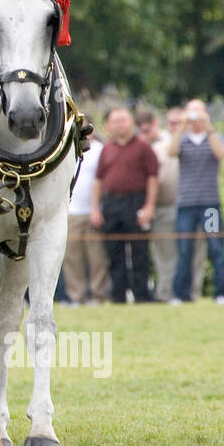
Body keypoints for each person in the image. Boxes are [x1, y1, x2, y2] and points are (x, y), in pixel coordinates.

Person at [91, 107, 158, 303]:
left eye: (124, 120)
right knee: (113, 252)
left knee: (140, 251)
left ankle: (142, 296)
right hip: (112, 204)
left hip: (136, 201)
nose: (120, 124)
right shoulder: (106, 149)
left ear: (131, 123)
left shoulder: (143, 146)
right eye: (116, 121)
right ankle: (118, 296)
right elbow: (98, 180)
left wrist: (149, 206)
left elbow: (153, 177)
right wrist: (95, 208)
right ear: (109, 125)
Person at [169, 99, 224, 304]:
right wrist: (182, 126)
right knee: (185, 248)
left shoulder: (215, 137)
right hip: (186, 204)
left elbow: (221, 154)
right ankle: (180, 294)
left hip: (209, 204)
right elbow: (171, 151)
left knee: (215, 247)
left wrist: (209, 127)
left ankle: (221, 293)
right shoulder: (183, 140)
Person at [140, 107, 182, 303]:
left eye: (180, 122)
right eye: (172, 122)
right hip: (165, 207)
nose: (176, 127)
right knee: (165, 254)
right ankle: (165, 293)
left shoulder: (208, 140)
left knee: (201, 249)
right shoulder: (158, 146)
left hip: (205, 207)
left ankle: (192, 292)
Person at [63, 128, 109, 306]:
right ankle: (76, 296)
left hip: (93, 211)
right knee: (72, 258)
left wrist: (98, 208)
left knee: (97, 257)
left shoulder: (99, 149)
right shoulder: (64, 147)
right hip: (70, 212)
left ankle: (98, 295)